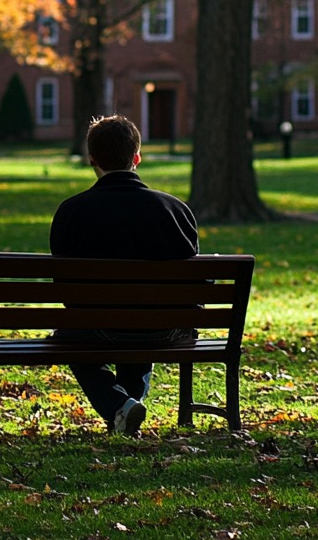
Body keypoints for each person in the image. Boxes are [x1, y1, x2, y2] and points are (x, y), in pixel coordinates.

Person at [49, 114, 199, 436]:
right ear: (137, 157)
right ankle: (125, 407)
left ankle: (120, 406)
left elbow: (64, 290)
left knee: (68, 335)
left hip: (99, 328)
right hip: (164, 330)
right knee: (143, 320)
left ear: (92, 158)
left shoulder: (71, 212)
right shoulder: (176, 210)